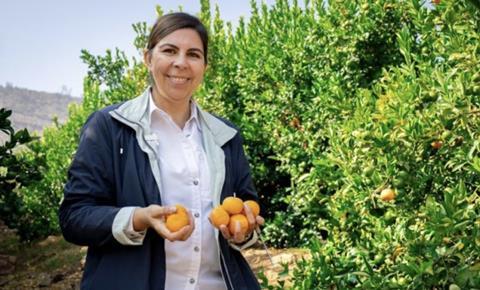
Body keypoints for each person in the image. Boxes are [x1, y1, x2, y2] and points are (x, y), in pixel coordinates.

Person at [59, 12, 264, 290]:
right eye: (169, 50)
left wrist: (241, 231)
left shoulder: (225, 136)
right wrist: (138, 218)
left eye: (193, 54)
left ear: (204, 66)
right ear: (148, 58)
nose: (181, 62)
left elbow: (245, 208)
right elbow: (75, 216)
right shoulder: (109, 127)